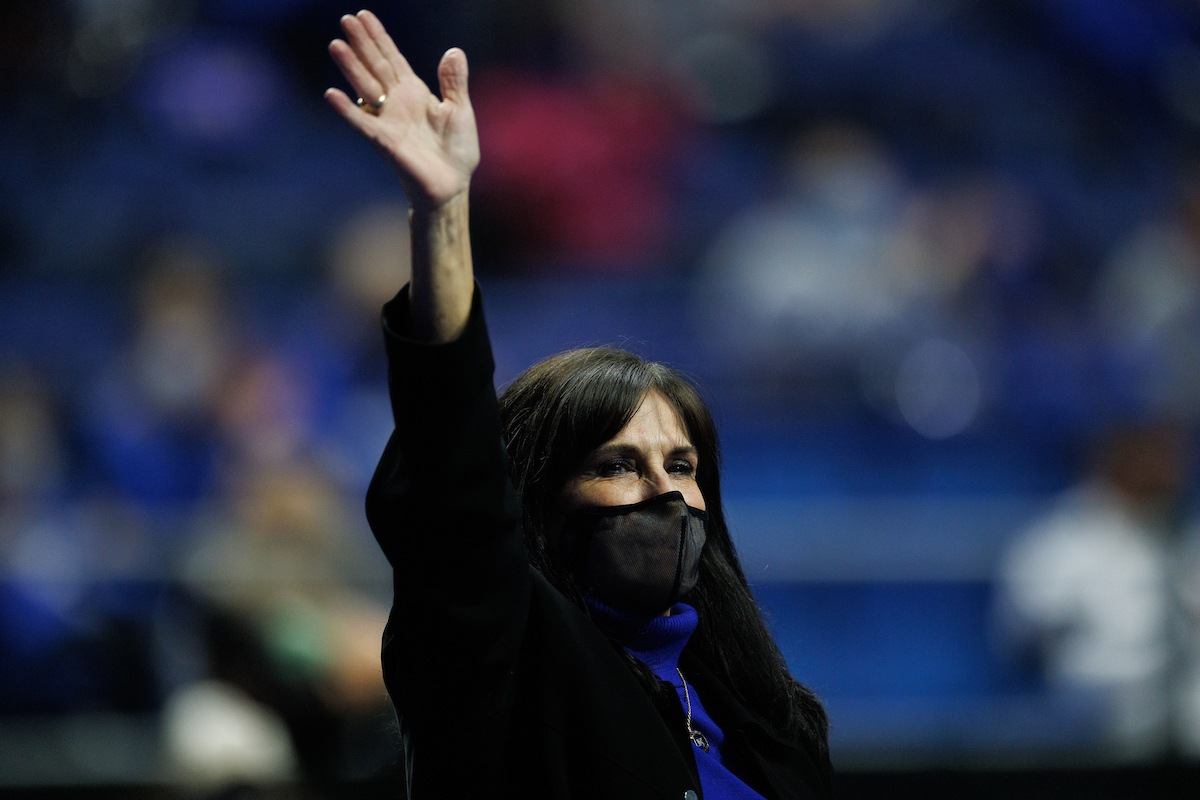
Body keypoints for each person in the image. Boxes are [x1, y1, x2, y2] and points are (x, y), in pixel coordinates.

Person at [325, 10, 832, 798]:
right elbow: (456, 487)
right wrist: (444, 214)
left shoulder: (769, 712)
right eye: (618, 464)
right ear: (545, 495)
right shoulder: (505, 662)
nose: (663, 491)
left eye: (682, 464)